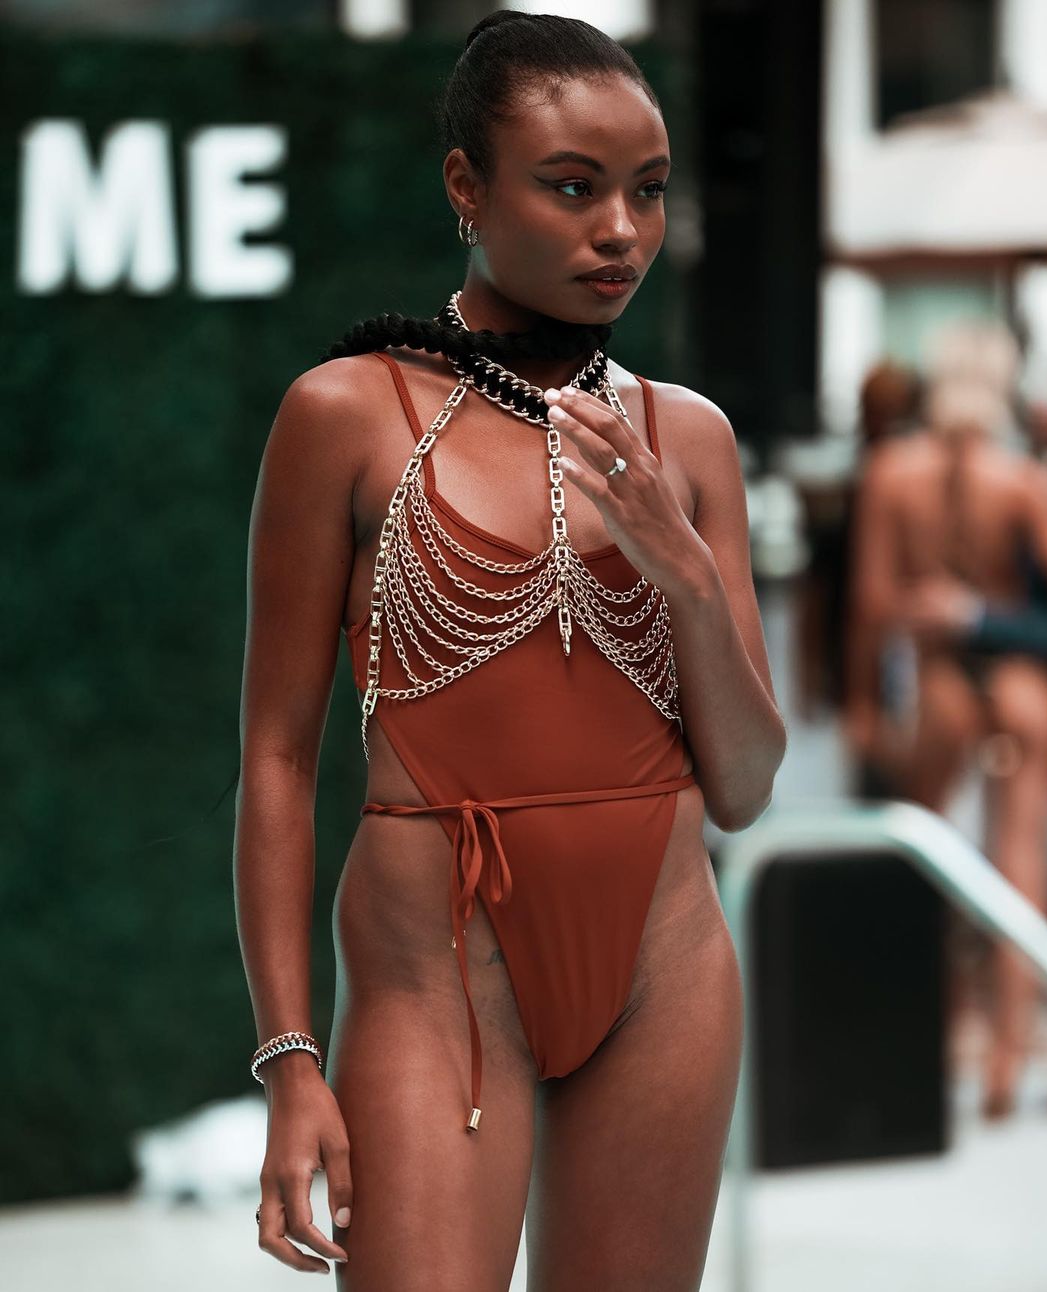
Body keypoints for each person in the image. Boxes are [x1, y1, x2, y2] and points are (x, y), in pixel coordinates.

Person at [234, 12, 786, 1289]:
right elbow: (274, 759)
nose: (622, 231)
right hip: (435, 985)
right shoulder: (346, 413)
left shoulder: (686, 438)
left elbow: (748, 785)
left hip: (663, 970)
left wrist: (686, 573)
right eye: (574, 187)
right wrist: (289, 1055)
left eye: (650, 190)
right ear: (467, 186)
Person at [844, 353, 1047, 1119]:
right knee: (1021, 860)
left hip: (941, 681)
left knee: (930, 854)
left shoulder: (891, 472)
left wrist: (862, 701)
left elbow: (872, 603)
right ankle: (1008, 1058)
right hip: (1024, 683)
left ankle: (938, 1037)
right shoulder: (1023, 479)